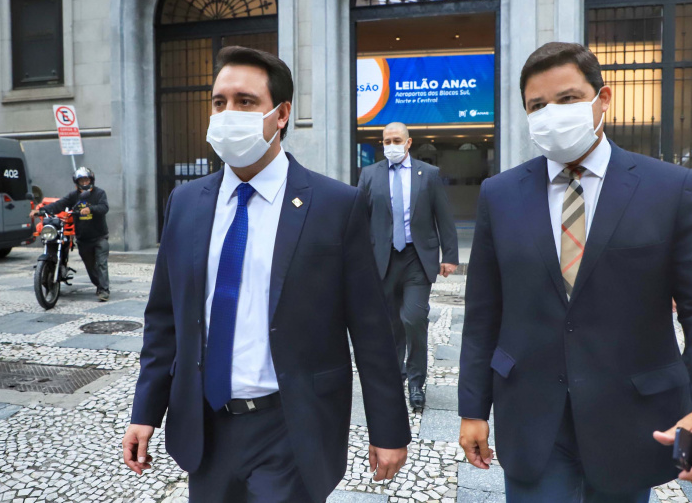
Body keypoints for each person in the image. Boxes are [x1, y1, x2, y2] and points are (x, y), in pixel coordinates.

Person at [458, 42, 692, 502]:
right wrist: (473, 409)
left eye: (568, 98)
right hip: (532, 418)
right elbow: (483, 312)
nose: (553, 114)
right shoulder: (500, 194)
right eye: (538, 105)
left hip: (630, 419)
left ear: (603, 99)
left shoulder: (668, 188)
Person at [122, 46, 410, 502]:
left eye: (245, 102)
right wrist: (145, 411)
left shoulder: (335, 205)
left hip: (290, 428)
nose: (228, 114)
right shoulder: (186, 203)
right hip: (205, 426)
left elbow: (372, 326)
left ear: (281, 114)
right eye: (219, 102)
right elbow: (164, 319)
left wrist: (389, 427)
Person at [357, 122, 459, 410]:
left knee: (413, 319)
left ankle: (416, 382)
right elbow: (359, 218)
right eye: (386, 141)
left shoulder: (429, 174)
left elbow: (443, 215)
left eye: (396, 140)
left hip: (417, 258)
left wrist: (450, 255)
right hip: (383, 259)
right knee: (390, 324)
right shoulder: (369, 174)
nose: (391, 145)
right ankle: (395, 374)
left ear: (408, 142)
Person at [30, 167, 110, 302]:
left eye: (86, 180)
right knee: (90, 266)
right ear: (76, 182)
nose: (84, 183)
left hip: (100, 236)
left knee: (101, 264)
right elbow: (59, 205)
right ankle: (99, 284)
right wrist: (41, 211)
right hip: (83, 238)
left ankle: (104, 290)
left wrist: (90, 209)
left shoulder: (99, 193)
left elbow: (104, 207)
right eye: (81, 181)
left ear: (91, 180)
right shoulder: (73, 196)